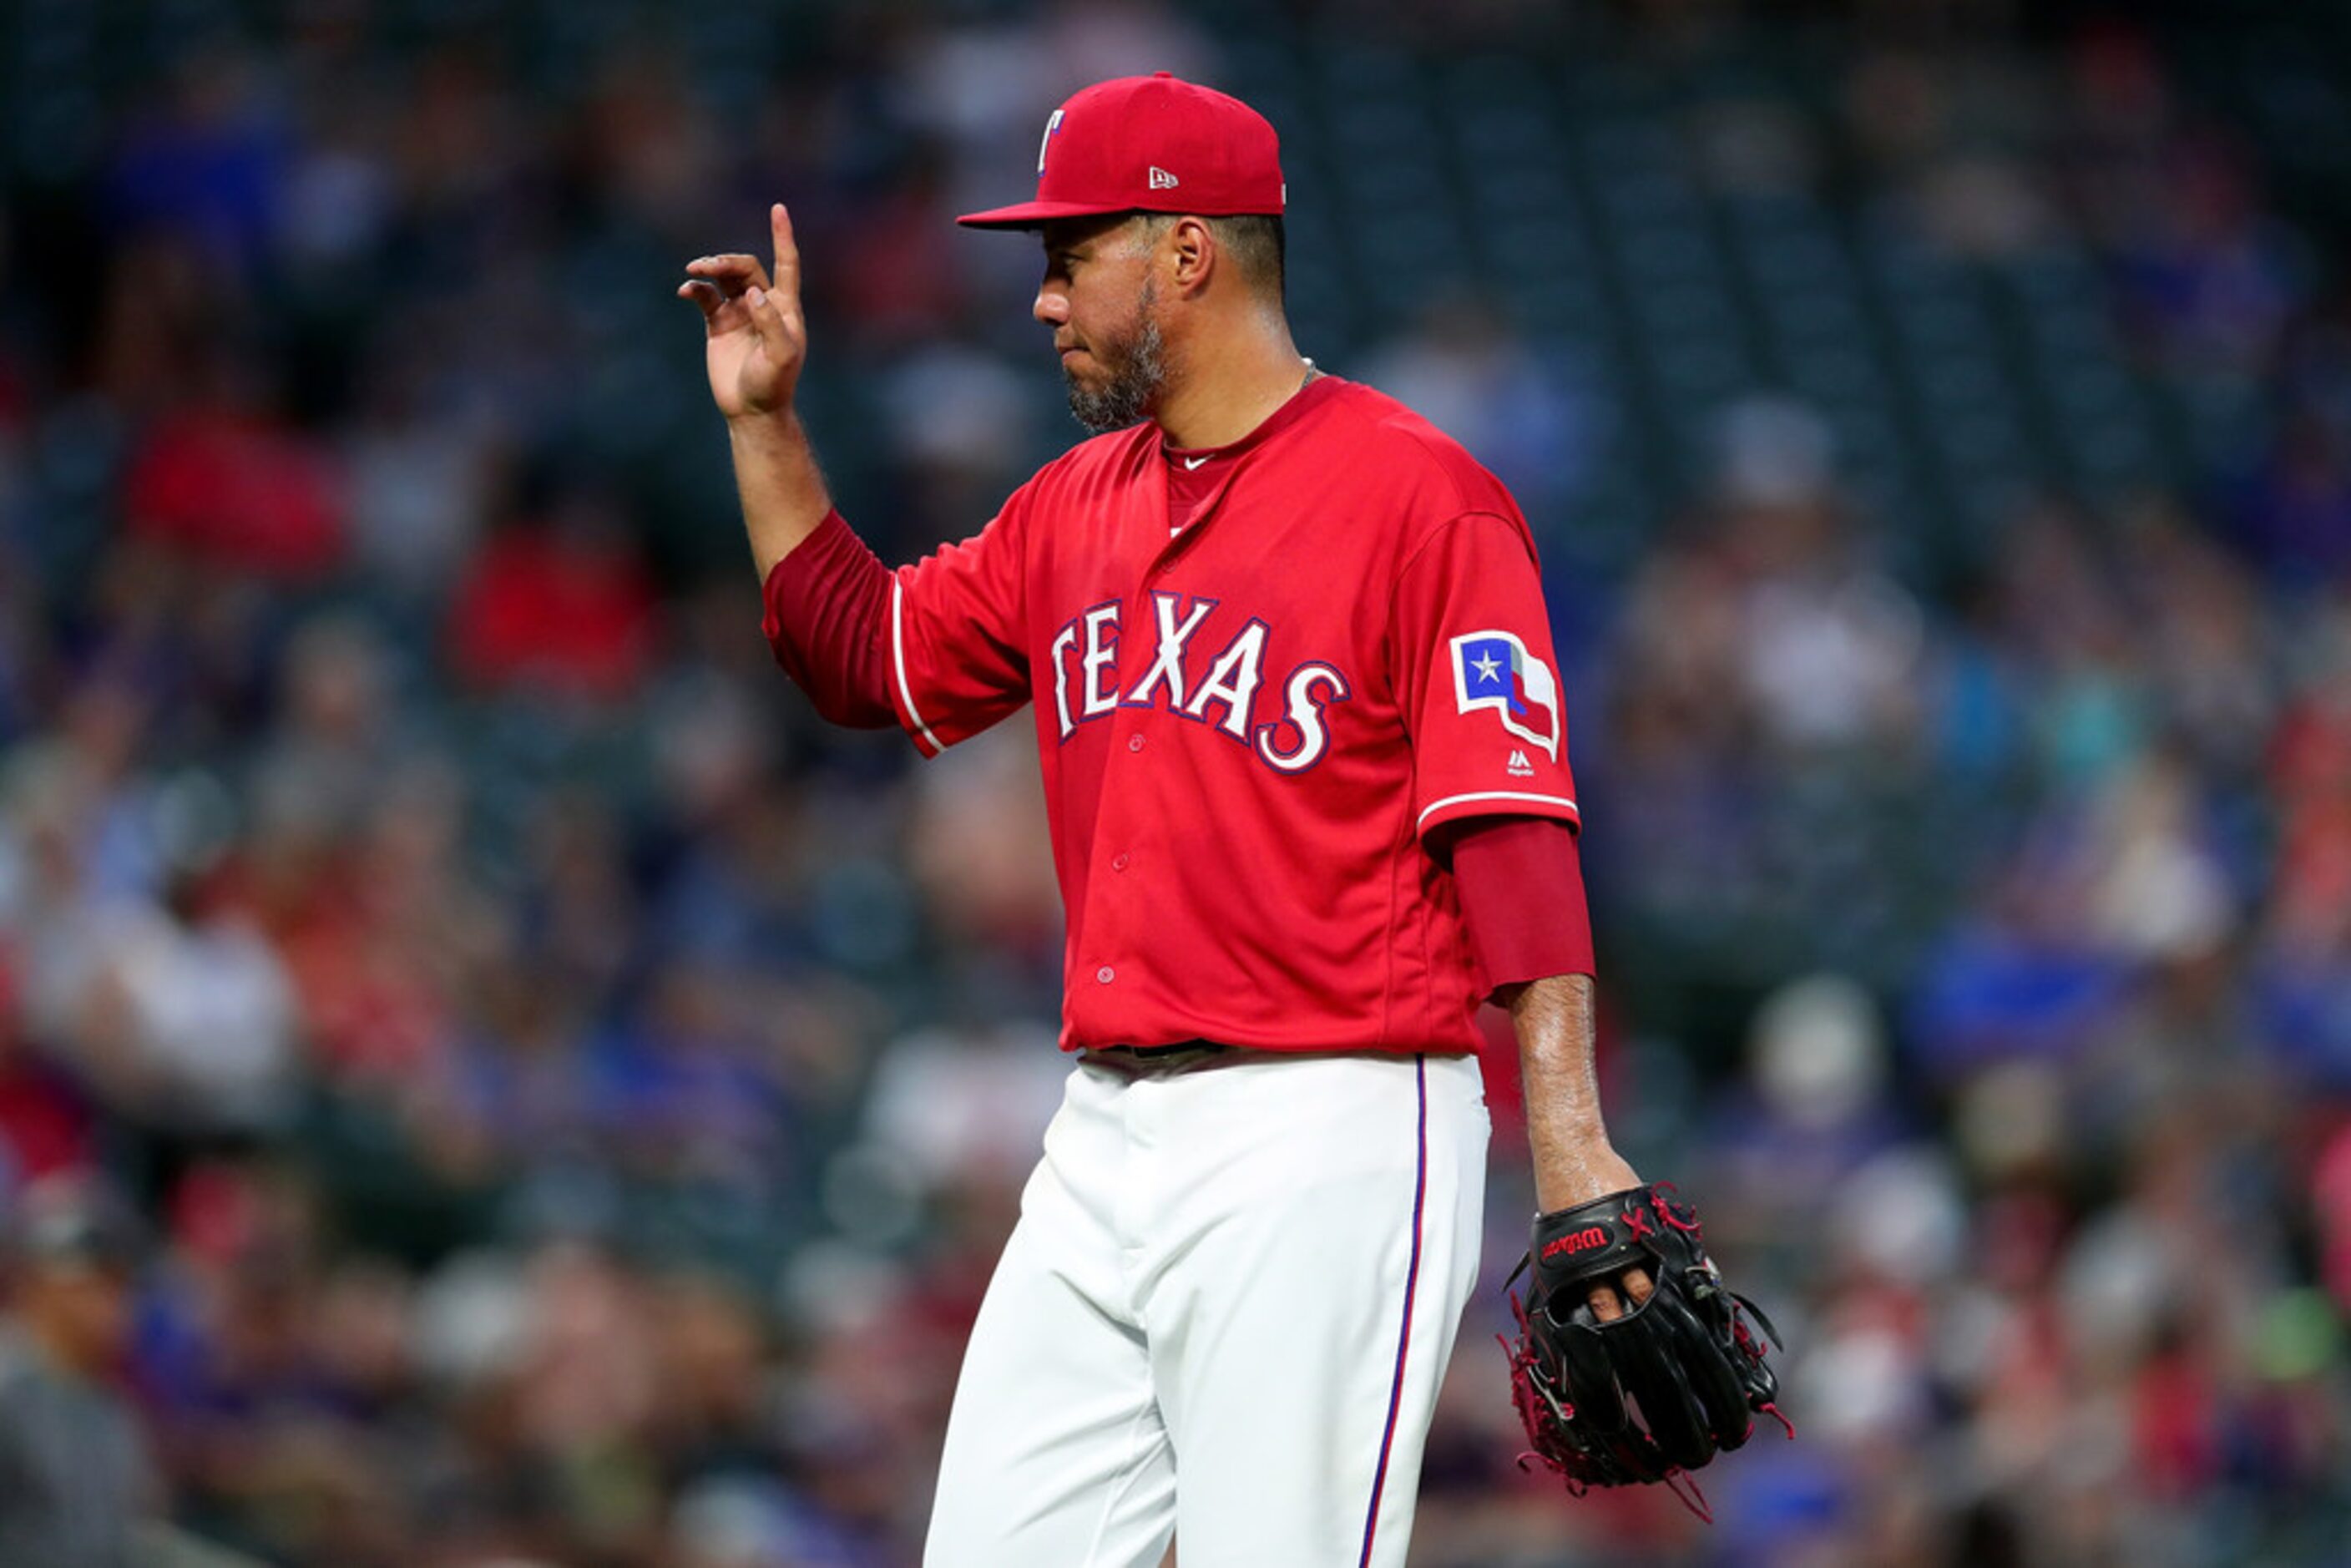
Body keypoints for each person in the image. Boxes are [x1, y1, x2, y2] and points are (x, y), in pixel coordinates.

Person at [680, 72, 1658, 1566]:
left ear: (1187, 252)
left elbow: (1511, 827)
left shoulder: (1423, 500)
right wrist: (765, 427)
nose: (1045, 301)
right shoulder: (1072, 506)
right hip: (1104, 1135)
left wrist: (1574, 1143)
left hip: (1329, 1116)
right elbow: (862, 656)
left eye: (1072, 257)